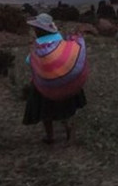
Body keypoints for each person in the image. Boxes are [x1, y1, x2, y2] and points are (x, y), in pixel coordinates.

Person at [22, 13, 88, 144]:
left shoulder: (38, 44)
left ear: (39, 30)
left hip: (45, 84)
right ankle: (68, 130)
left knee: (46, 111)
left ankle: (50, 136)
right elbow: (62, 51)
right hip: (64, 80)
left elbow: (30, 60)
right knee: (65, 108)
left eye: (35, 28)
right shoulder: (58, 37)